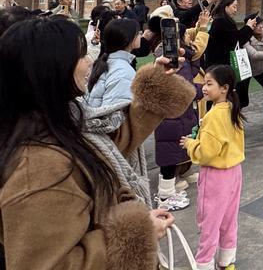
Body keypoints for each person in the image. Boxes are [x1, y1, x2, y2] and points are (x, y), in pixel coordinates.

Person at [0, 17, 195, 269]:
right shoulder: (38, 167)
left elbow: (113, 141)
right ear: (52, 68)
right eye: (81, 55)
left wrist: (159, 78)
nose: (90, 60)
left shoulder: (60, 122)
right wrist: (137, 235)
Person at [180, 65, 245, 270]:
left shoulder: (214, 116)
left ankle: (204, 264)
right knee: (228, 220)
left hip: (216, 177)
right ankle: (226, 262)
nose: (204, 88)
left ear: (224, 88)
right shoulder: (232, 111)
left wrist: (190, 144)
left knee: (209, 224)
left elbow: (207, 153)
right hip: (234, 173)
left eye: (209, 84)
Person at [153, 21, 208, 211]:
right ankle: (166, 194)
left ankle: (176, 180)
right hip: (172, 114)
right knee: (169, 151)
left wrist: (191, 55)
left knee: (180, 145)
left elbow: (190, 72)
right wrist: (205, 90)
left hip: (181, 114)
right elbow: (184, 88)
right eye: (184, 36)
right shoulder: (168, 58)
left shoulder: (179, 56)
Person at [87, 18, 142, 108]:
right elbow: (114, 116)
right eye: (138, 33)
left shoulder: (107, 62)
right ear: (129, 39)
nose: (141, 35)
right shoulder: (123, 72)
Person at [204, 0, 257, 67]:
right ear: (226, 7)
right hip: (220, 66)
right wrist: (248, 27)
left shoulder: (216, 19)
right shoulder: (222, 22)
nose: (236, 10)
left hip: (213, 64)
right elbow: (237, 41)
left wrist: (248, 27)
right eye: (234, 6)